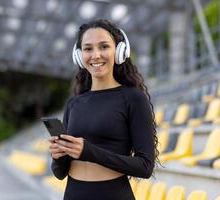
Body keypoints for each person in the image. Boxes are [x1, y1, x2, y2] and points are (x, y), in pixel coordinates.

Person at [48, 19, 158, 200]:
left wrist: (88, 151)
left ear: (120, 51)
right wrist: (58, 156)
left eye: (104, 46)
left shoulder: (133, 99)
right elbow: (60, 173)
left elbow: (145, 167)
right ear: (79, 55)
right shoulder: (74, 103)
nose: (96, 55)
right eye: (88, 48)